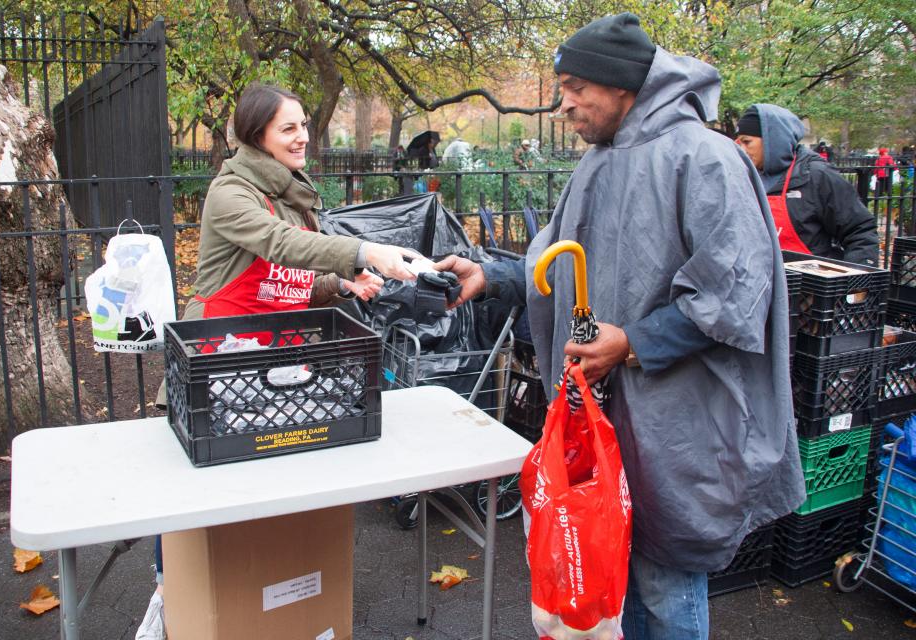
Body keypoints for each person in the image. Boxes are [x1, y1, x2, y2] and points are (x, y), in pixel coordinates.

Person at [435, 13, 804, 640]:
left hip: (679, 419)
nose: (565, 105)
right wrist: (492, 277)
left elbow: (733, 294)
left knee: (664, 575)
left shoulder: (705, 158)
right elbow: (555, 260)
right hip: (609, 417)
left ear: (624, 84)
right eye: (562, 89)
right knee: (613, 565)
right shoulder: (599, 162)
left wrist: (633, 343)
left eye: (577, 87)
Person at [139, 83, 419, 640]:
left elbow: (283, 282)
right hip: (217, 357)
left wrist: (342, 283)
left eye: (304, 126)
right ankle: (173, 597)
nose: (302, 138)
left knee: (268, 487)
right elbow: (277, 245)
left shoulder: (290, 190)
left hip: (273, 359)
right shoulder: (232, 193)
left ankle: (261, 602)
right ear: (256, 135)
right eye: (288, 128)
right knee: (194, 493)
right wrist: (366, 251)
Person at [735, 105, 878, 266]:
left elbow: (859, 231)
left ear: (772, 140)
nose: (742, 150)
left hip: (808, 286)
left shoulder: (816, 175)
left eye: (747, 142)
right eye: (739, 143)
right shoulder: (745, 177)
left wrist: (857, 281)